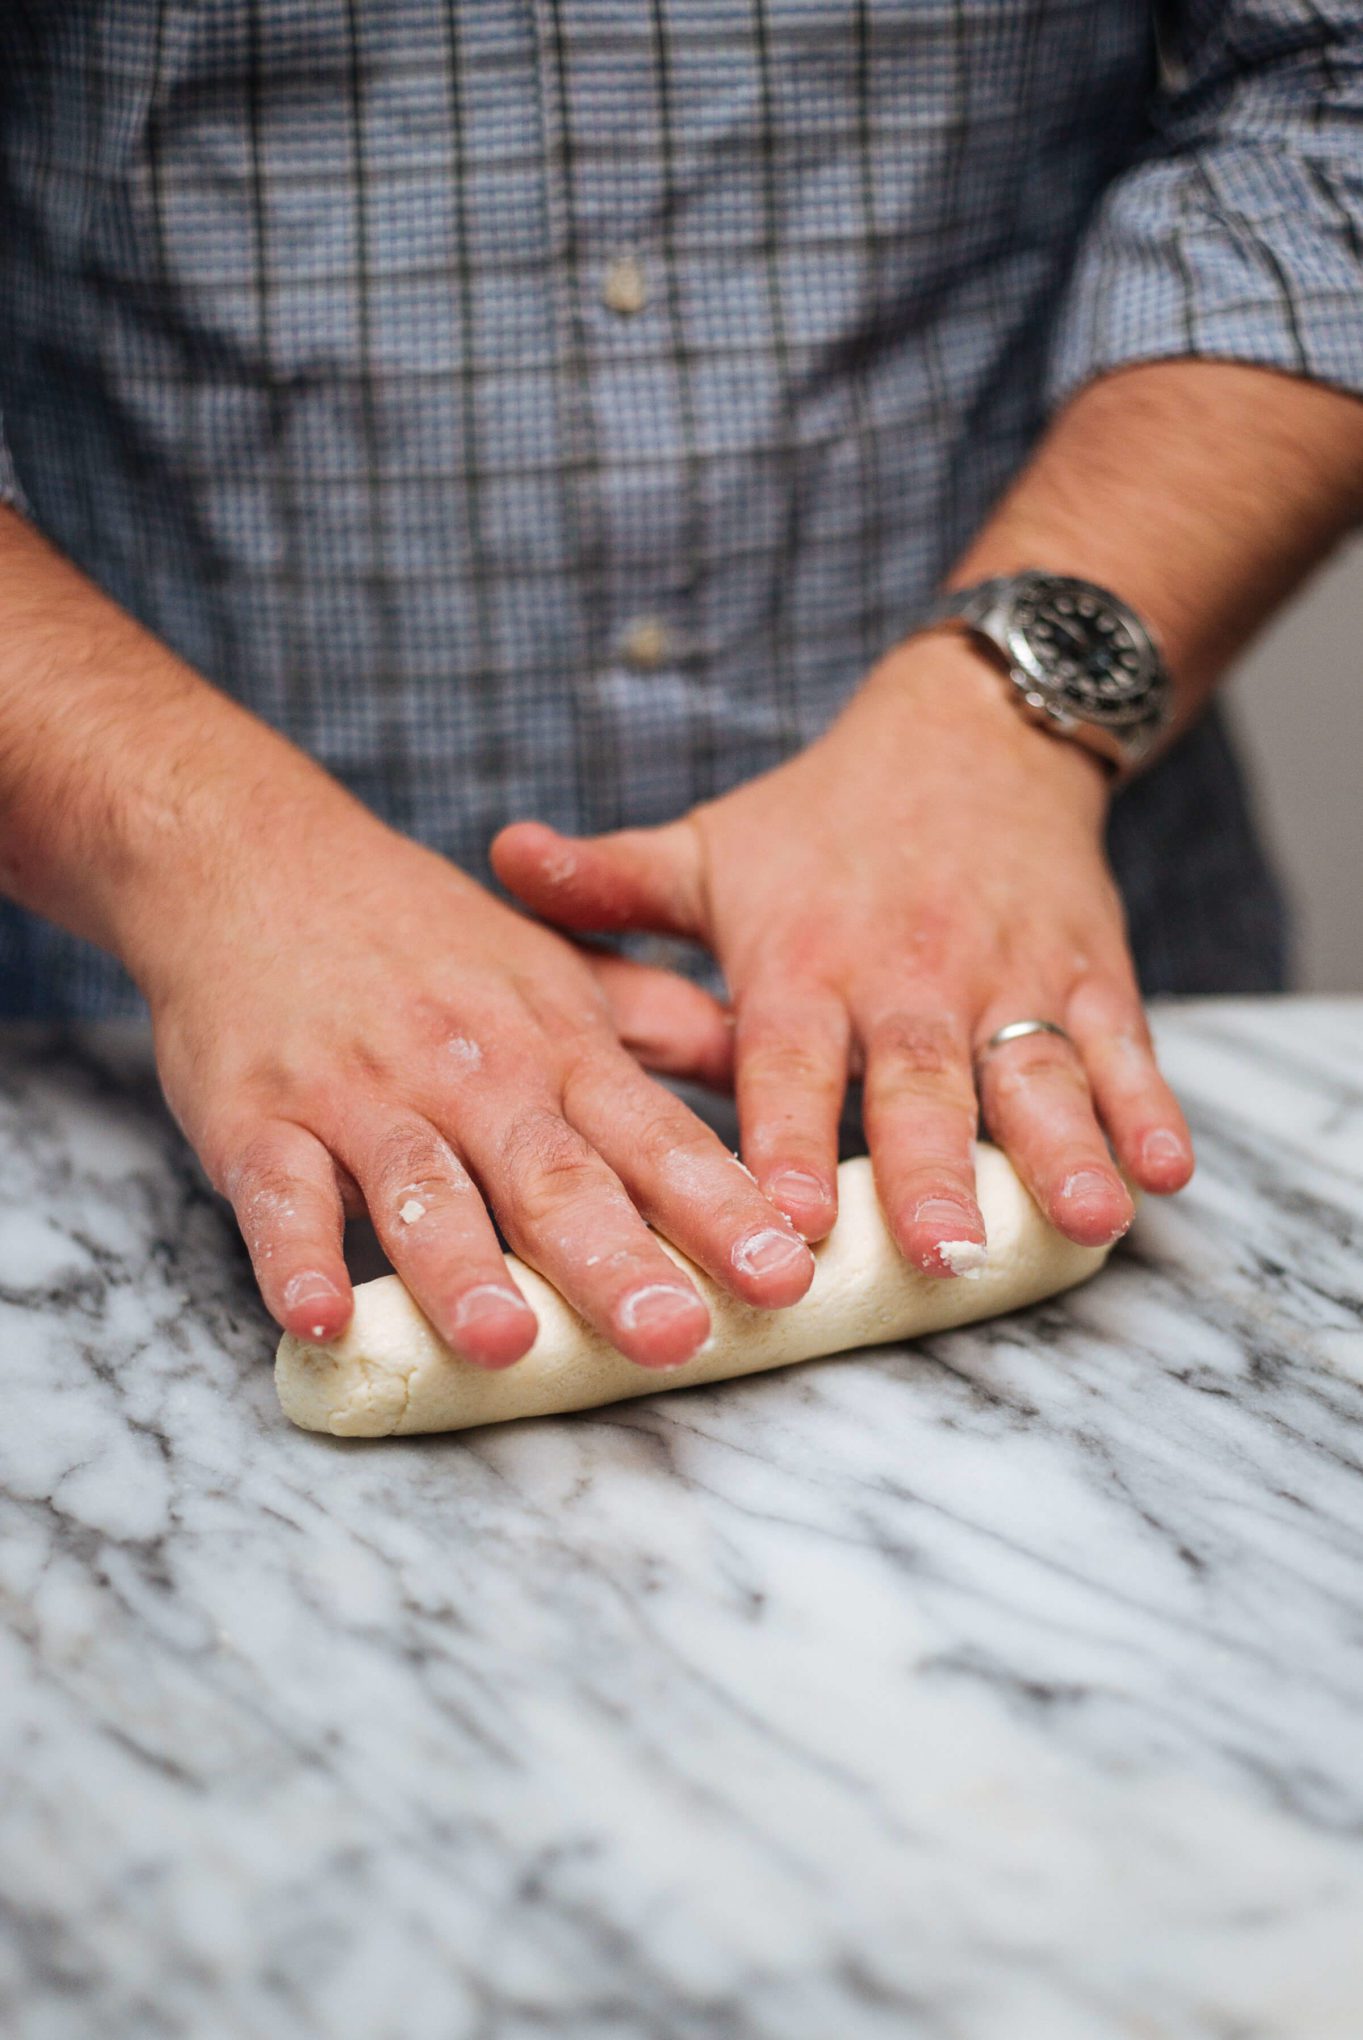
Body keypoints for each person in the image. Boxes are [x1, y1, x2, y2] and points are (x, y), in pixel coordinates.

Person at [1, 3, 1360, 1375]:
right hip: (125, 1065)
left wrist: (1002, 717)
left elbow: (1332, 80)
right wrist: (204, 851)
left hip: (1058, 992)